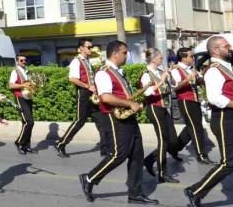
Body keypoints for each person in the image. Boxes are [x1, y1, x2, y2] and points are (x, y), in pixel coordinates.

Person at [79, 41, 157, 205]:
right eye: (124, 52)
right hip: (115, 119)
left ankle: (135, 193)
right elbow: (106, 97)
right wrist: (129, 104)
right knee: (118, 155)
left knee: (137, 155)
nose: (127, 55)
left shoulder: (118, 72)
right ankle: (89, 178)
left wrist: (134, 104)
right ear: (114, 54)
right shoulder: (103, 73)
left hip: (128, 117)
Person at [185, 36, 233, 207]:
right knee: (229, 164)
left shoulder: (225, 68)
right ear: (216, 50)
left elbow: (230, 93)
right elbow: (215, 98)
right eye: (227, 46)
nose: (230, 48)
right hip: (226, 119)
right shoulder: (214, 70)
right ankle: (195, 191)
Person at [56, 39, 108, 158]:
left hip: (92, 95)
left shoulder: (88, 61)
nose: (91, 49)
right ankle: (61, 143)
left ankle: (105, 149)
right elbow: (72, 79)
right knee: (79, 121)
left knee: (103, 122)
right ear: (81, 48)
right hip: (83, 94)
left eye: (91, 47)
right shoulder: (76, 62)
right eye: (88, 47)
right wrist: (88, 86)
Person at [139, 48, 180, 183]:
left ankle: (149, 160)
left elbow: (173, 85)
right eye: (160, 58)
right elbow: (147, 92)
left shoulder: (161, 72)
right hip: (154, 108)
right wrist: (161, 81)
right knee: (163, 140)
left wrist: (170, 77)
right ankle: (163, 173)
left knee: (173, 140)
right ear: (154, 59)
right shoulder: (146, 74)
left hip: (164, 108)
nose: (162, 60)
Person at [169, 47, 212, 164]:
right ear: (183, 58)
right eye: (190, 56)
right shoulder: (176, 70)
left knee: (190, 127)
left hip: (195, 100)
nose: (193, 58)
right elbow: (175, 88)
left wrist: (199, 77)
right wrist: (186, 79)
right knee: (196, 127)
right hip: (185, 100)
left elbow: (202, 82)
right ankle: (201, 154)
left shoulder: (192, 69)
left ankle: (173, 149)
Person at [8, 54, 36, 155]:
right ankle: (19, 142)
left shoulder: (26, 71)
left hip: (27, 97)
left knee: (28, 123)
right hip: (20, 97)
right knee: (29, 122)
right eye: (21, 60)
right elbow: (11, 85)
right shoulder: (15, 71)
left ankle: (26, 146)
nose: (24, 62)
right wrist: (23, 85)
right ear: (17, 62)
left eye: (25, 60)